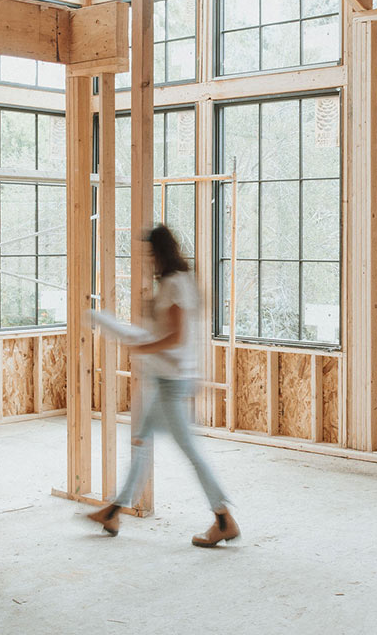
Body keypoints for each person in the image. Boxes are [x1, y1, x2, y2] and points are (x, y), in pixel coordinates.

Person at [87, 224, 239, 547]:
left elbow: (176, 336)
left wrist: (141, 347)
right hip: (168, 380)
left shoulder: (174, 285)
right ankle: (113, 511)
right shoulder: (179, 282)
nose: (149, 259)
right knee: (141, 441)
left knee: (189, 451)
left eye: (151, 253)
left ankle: (223, 518)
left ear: (160, 252)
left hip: (172, 383)